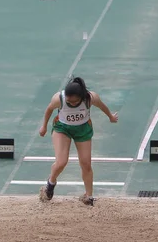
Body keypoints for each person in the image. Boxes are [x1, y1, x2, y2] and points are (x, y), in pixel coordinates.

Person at [38, 77, 118, 205]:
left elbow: (102, 106)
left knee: (86, 163)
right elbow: (49, 109)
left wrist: (110, 116)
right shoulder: (59, 99)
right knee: (61, 162)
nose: (73, 103)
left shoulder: (91, 98)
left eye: (75, 102)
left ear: (81, 97)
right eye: (70, 101)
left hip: (83, 129)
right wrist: (44, 126)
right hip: (62, 128)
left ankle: (89, 196)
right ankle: (51, 183)